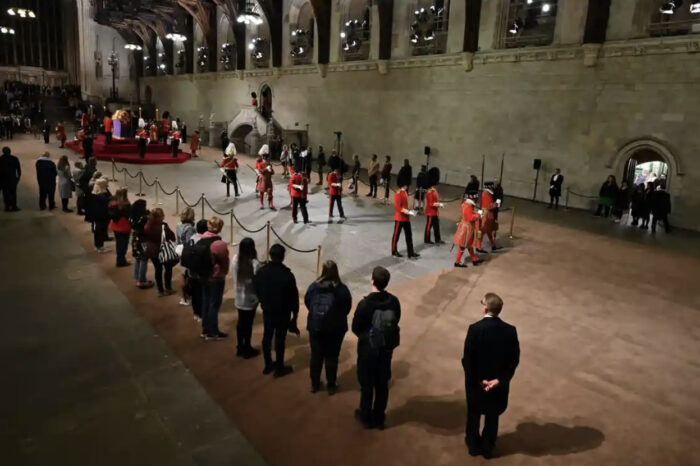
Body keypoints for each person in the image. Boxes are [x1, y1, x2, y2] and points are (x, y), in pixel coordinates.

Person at [463, 293, 520, 458]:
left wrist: (479, 380)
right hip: (497, 386)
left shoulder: (475, 329)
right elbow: (513, 360)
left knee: (473, 415)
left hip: (476, 384)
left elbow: (468, 360)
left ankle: (473, 445)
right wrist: (499, 380)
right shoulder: (510, 331)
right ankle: (488, 448)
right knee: (492, 416)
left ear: (485, 309)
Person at [352, 266, 401, 429]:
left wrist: (367, 337)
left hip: (368, 348)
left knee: (366, 384)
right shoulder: (394, 301)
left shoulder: (365, 304)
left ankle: (365, 415)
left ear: (372, 281)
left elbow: (356, 327)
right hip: (386, 348)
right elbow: (397, 319)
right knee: (382, 383)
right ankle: (379, 416)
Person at [304, 260, 352, 394]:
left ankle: (315, 384)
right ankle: (331, 385)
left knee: (316, 356)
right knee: (332, 356)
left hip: (316, 326)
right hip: (335, 329)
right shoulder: (342, 290)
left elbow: (308, 302)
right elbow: (347, 308)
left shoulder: (313, 287)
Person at [253, 244, 300, 377]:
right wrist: (294, 316)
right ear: (283, 257)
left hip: (268, 310)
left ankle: (268, 364)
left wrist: (262, 301)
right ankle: (279, 367)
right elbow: (294, 298)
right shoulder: (287, 275)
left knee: (267, 337)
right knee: (280, 339)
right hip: (283, 312)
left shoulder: (261, 272)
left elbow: (256, 288)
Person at [200, 216, 230, 340]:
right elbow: (224, 261)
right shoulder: (219, 244)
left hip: (203, 275)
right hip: (215, 277)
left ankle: (205, 329)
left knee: (206, 301)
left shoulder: (201, 238)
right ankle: (213, 332)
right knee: (214, 304)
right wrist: (224, 272)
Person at [232, 237, 262, 358]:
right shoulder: (254, 264)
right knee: (248, 324)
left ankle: (240, 346)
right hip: (250, 299)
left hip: (239, 297)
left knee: (241, 323)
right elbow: (258, 281)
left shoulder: (235, 260)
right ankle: (247, 347)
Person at [143, 207, 177, 297]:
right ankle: (168, 288)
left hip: (152, 251)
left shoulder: (148, 225)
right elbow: (172, 236)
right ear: (160, 216)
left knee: (158, 270)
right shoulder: (163, 226)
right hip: (163, 251)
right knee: (168, 268)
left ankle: (160, 290)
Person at [391, 169, 418, 258]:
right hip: (400, 218)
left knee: (409, 235)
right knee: (396, 235)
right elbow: (399, 208)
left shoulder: (404, 193)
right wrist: (409, 212)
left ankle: (410, 252)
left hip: (406, 218)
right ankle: (394, 250)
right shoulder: (398, 194)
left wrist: (410, 211)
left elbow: (405, 205)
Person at [187, 219, 208, 322]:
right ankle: (202, 314)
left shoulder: (192, 238)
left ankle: (196, 313)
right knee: (202, 294)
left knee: (195, 294)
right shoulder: (204, 240)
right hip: (201, 271)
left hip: (191, 270)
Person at [129, 199, 154, 289]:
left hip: (135, 239)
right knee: (144, 259)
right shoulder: (144, 218)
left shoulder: (133, 217)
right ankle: (142, 280)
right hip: (143, 240)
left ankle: (136, 277)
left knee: (137, 258)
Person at [454, 196, 482, 268]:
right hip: (467, 228)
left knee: (469, 244)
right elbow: (470, 218)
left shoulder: (465, 204)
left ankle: (474, 259)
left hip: (465, 227)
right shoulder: (468, 206)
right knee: (463, 245)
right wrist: (478, 215)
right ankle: (457, 261)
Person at [176, 208, 196, 306]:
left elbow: (178, 240)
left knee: (183, 275)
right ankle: (187, 297)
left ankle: (184, 297)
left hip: (181, 252)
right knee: (189, 276)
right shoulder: (190, 229)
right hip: (188, 253)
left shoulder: (178, 226)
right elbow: (190, 242)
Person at [108, 188, 132, 267]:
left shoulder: (112, 203)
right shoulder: (126, 204)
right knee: (124, 244)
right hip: (124, 226)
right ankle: (121, 260)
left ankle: (120, 259)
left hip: (116, 226)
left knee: (119, 243)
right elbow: (129, 215)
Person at [476, 183, 502, 253]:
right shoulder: (486, 194)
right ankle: (478, 246)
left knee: (489, 231)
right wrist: (496, 204)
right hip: (486, 214)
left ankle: (493, 245)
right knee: (483, 230)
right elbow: (489, 206)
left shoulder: (486, 194)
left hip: (487, 213)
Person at [90, 179, 112, 253]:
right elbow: (107, 200)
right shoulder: (100, 196)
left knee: (98, 231)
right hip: (100, 216)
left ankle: (98, 245)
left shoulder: (95, 193)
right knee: (99, 231)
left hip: (98, 215)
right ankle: (100, 246)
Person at [424, 167, 444, 244]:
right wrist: (439, 204)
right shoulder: (430, 192)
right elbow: (431, 204)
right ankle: (427, 239)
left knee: (436, 226)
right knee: (429, 226)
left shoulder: (433, 190)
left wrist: (438, 204)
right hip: (430, 212)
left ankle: (437, 239)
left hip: (434, 212)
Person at [0, 146, 21, 211]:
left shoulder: (0, 159)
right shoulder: (14, 158)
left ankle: (7, 206)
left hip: (3, 179)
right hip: (12, 179)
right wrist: (18, 178)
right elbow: (18, 169)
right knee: (13, 193)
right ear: (10, 151)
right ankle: (14, 206)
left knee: (5, 193)